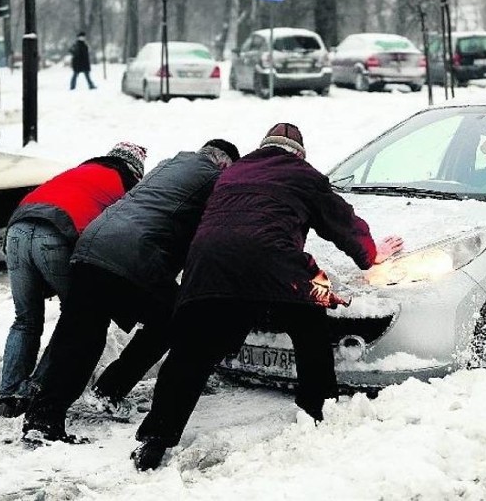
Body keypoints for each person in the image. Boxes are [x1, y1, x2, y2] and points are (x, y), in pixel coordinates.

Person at [130, 123, 403, 471]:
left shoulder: (232, 173)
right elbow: (341, 221)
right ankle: (317, 409)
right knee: (311, 327)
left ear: (262, 147)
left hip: (209, 267)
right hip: (277, 264)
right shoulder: (304, 175)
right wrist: (370, 254)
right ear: (299, 154)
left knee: (190, 354)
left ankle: (156, 439)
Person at [22, 139, 241, 444]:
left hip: (91, 245)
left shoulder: (168, 166)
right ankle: (110, 390)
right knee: (173, 318)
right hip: (131, 255)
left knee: (81, 336)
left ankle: (42, 419)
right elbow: (209, 233)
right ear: (225, 163)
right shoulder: (215, 178)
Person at [0, 142, 147, 418]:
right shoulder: (127, 186)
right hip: (57, 233)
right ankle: (39, 388)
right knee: (75, 319)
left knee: (25, 319)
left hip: (16, 229)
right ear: (135, 170)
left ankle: (9, 396)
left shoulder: (80, 170)